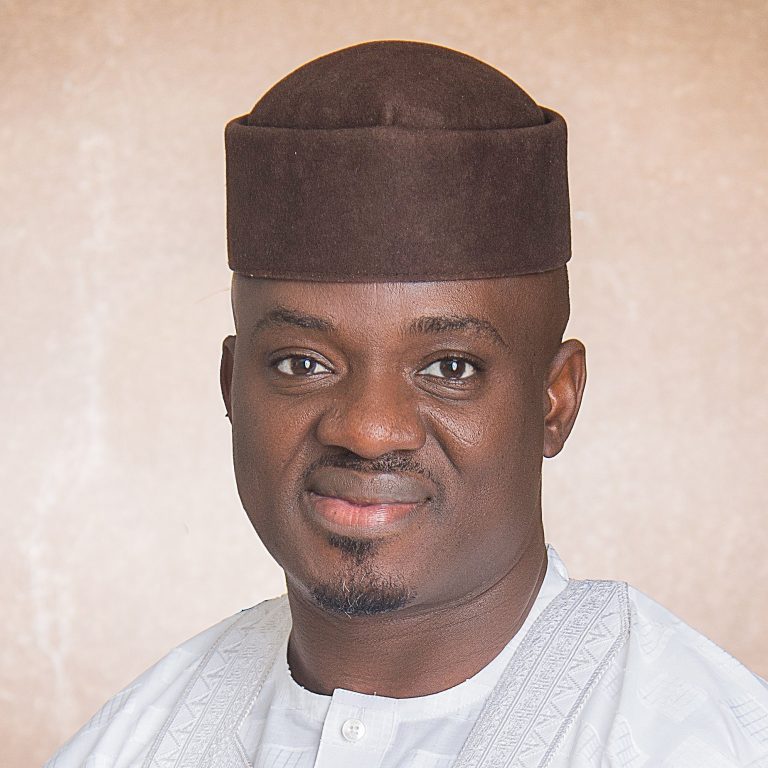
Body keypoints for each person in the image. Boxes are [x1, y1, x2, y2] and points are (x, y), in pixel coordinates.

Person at [46, 40, 768, 768]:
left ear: (555, 400)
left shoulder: (696, 742)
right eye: (303, 364)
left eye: (449, 368)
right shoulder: (135, 742)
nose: (367, 429)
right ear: (232, 385)